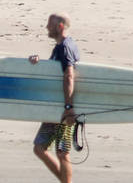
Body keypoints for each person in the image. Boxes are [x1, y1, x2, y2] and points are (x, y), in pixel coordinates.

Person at [30, 13, 79, 183]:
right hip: (54, 109)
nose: (46, 27)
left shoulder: (65, 47)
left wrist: (68, 108)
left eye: (49, 24)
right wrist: (38, 63)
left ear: (59, 26)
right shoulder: (61, 47)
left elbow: (69, 76)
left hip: (64, 110)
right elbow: (54, 73)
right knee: (40, 148)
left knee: (62, 152)